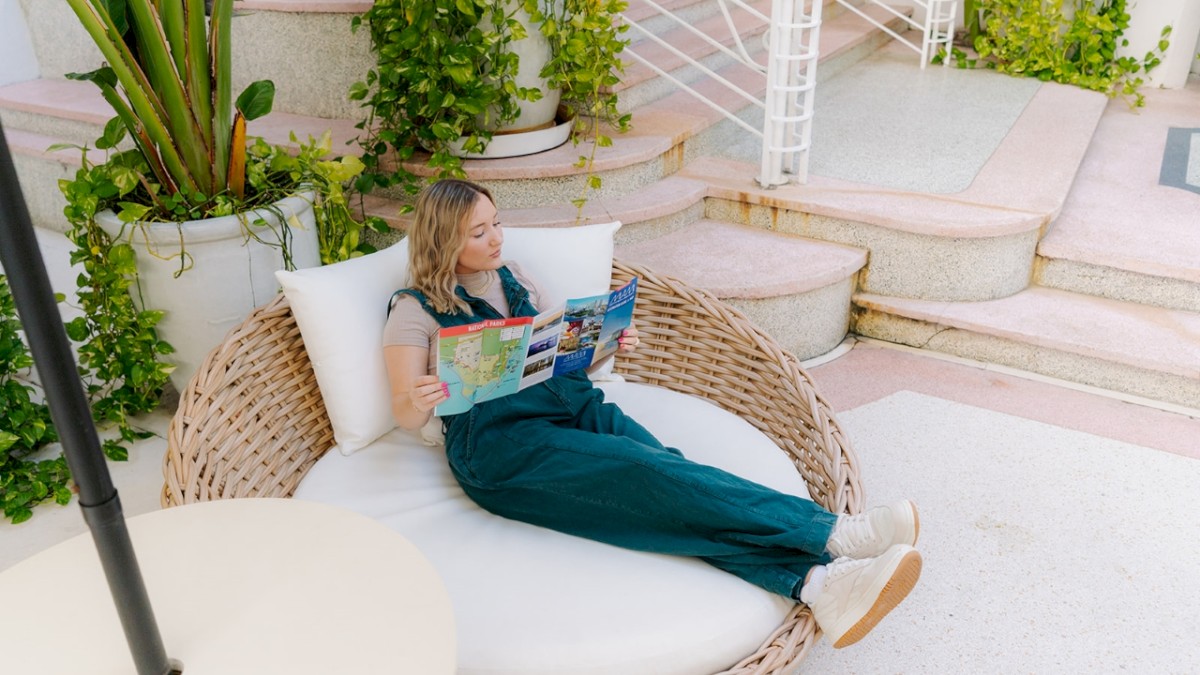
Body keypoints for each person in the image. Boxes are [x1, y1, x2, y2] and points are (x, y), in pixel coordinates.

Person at [383, 178, 923, 649]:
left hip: (571, 403)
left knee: (666, 472)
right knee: (644, 473)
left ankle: (817, 586)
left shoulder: (514, 276)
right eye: (479, 232)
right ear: (443, 239)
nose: (497, 237)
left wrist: (606, 345)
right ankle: (834, 536)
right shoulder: (414, 311)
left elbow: (547, 354)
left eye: (497, 222)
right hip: (500, 447)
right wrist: (421, 397)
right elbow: (405, 411)